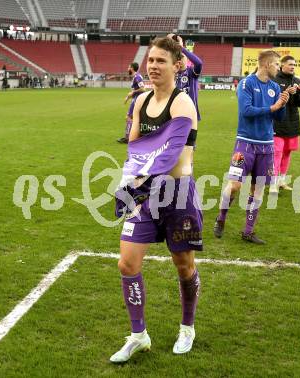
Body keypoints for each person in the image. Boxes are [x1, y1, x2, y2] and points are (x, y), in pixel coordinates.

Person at [111, 37, 201, 363]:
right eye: (150, 60)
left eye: (161, 61)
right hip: (145, 194)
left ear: (177, 65)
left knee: (184, 266)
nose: (153, 66)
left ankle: (187, 327)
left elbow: (167, 157)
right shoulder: (140, 102)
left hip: (178, 195)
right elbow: (134, 150)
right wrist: (127, 186)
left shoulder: (183, 105)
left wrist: (132, 183)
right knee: (127, 263)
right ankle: (138, 335)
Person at [213, 50, 289, 244]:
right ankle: (221, 218)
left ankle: (248, 231)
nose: (278, 68)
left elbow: (279, 118)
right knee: (235, 185)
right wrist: (272, 108)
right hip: (245, 143)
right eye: (276, 65)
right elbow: (246, 111)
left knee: (258, 189)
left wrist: (283, 105)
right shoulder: (247, 83)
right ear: (266, 65)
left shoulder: (274, 87)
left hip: (266, 146)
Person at [271, 55, 300, 193]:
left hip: (292, 123)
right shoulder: (274, 80)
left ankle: (282, 181)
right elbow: (270, 100)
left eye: (294, 65)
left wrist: (297, 93)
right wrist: (286, 93)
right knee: (277, 152)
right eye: (290, 64)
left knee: (287, 152)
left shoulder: (297, 81)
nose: (292, 67)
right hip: (277, 122)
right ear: (282, 65)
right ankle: (273, 183)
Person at [167, 34, 202, 121]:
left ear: (187, 59)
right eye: (179, 58)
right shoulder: (172, 73)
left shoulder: (191, 73)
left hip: (189, 114)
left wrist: (182, 48)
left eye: (183, 57)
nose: (181, 59)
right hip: (174, 113)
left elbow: (199, 63)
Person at [117, 62, 145, 144]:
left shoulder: (137, 77)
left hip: (137, 100)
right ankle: (136, 136)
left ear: (132, 68)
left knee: (128, 117)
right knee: (134, 118)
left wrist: (132, 93)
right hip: (136, 99)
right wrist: (128, 97)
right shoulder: (135, 77)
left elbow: (143, 89)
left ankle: (127, 138)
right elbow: (134, 90)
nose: (127, 69)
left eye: (129, 67)